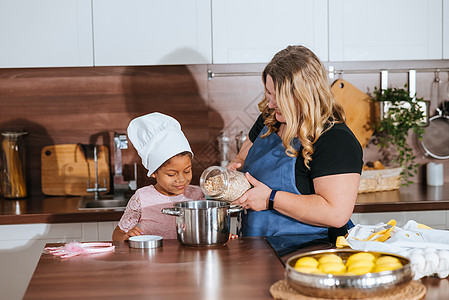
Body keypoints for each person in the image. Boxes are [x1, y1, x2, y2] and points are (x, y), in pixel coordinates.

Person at [228, 45, 363, 243]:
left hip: (312, 254)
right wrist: (234, 173)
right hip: (258, 246)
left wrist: (270, 199)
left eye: (279, 97)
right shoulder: (269, 119)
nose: (271, 103)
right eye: (268, 93)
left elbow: (336, 213)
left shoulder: (335, 139)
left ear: (304, 96)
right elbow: (243, 157)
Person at [112, 112, 205, 241]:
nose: (181, 179)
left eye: (187, 171)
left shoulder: (197, 195)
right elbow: (118, 234)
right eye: (171, 174)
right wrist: (126, 237)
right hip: (153, 260)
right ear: (154, 172)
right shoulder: (142, 198)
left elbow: (207, 230)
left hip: (191, 260)